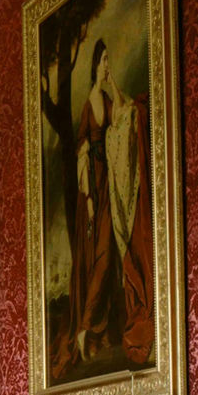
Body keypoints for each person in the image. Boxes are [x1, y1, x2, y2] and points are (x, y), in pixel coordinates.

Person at [70, 40, 155, 368]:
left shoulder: (105, 96)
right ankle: (84, 328)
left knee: (112, 255)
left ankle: (95, 326)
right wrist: (90, 199)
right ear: (95, 64)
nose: (108, 65)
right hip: (98, 183)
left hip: (111, 183)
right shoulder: (92, 100)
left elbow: (124, 111)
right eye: (104, 60)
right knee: (103, 257)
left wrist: (114, 82)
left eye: (109, 61)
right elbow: (83, 153)